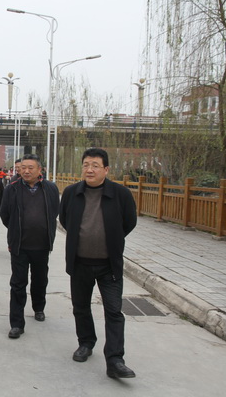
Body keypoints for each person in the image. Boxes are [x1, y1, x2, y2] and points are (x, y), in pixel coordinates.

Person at [59, 147, 137, 379]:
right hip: (80, 263)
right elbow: (65, 220)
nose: (89, 170)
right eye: (86, 165)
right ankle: (86, 343)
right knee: (81, 307)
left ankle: (115, 360)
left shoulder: (120, 194)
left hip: (108, 265)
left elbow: (129, 222)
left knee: (113, 311)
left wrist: (111, 239)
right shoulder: (72, 193)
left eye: (95, 165)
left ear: (106, 169)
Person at [0, 154, 59, 339]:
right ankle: (17, 324)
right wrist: (16, 230)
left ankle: (39, 307)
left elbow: (54, 211)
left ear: (39, 170)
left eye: (30, 168)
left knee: (40, 279)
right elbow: (5, 215)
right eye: (23, 167)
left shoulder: (50, 188)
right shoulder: (12, 188)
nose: (26, 171)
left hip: (42, 245)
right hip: (20, 246)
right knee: (18, 284)